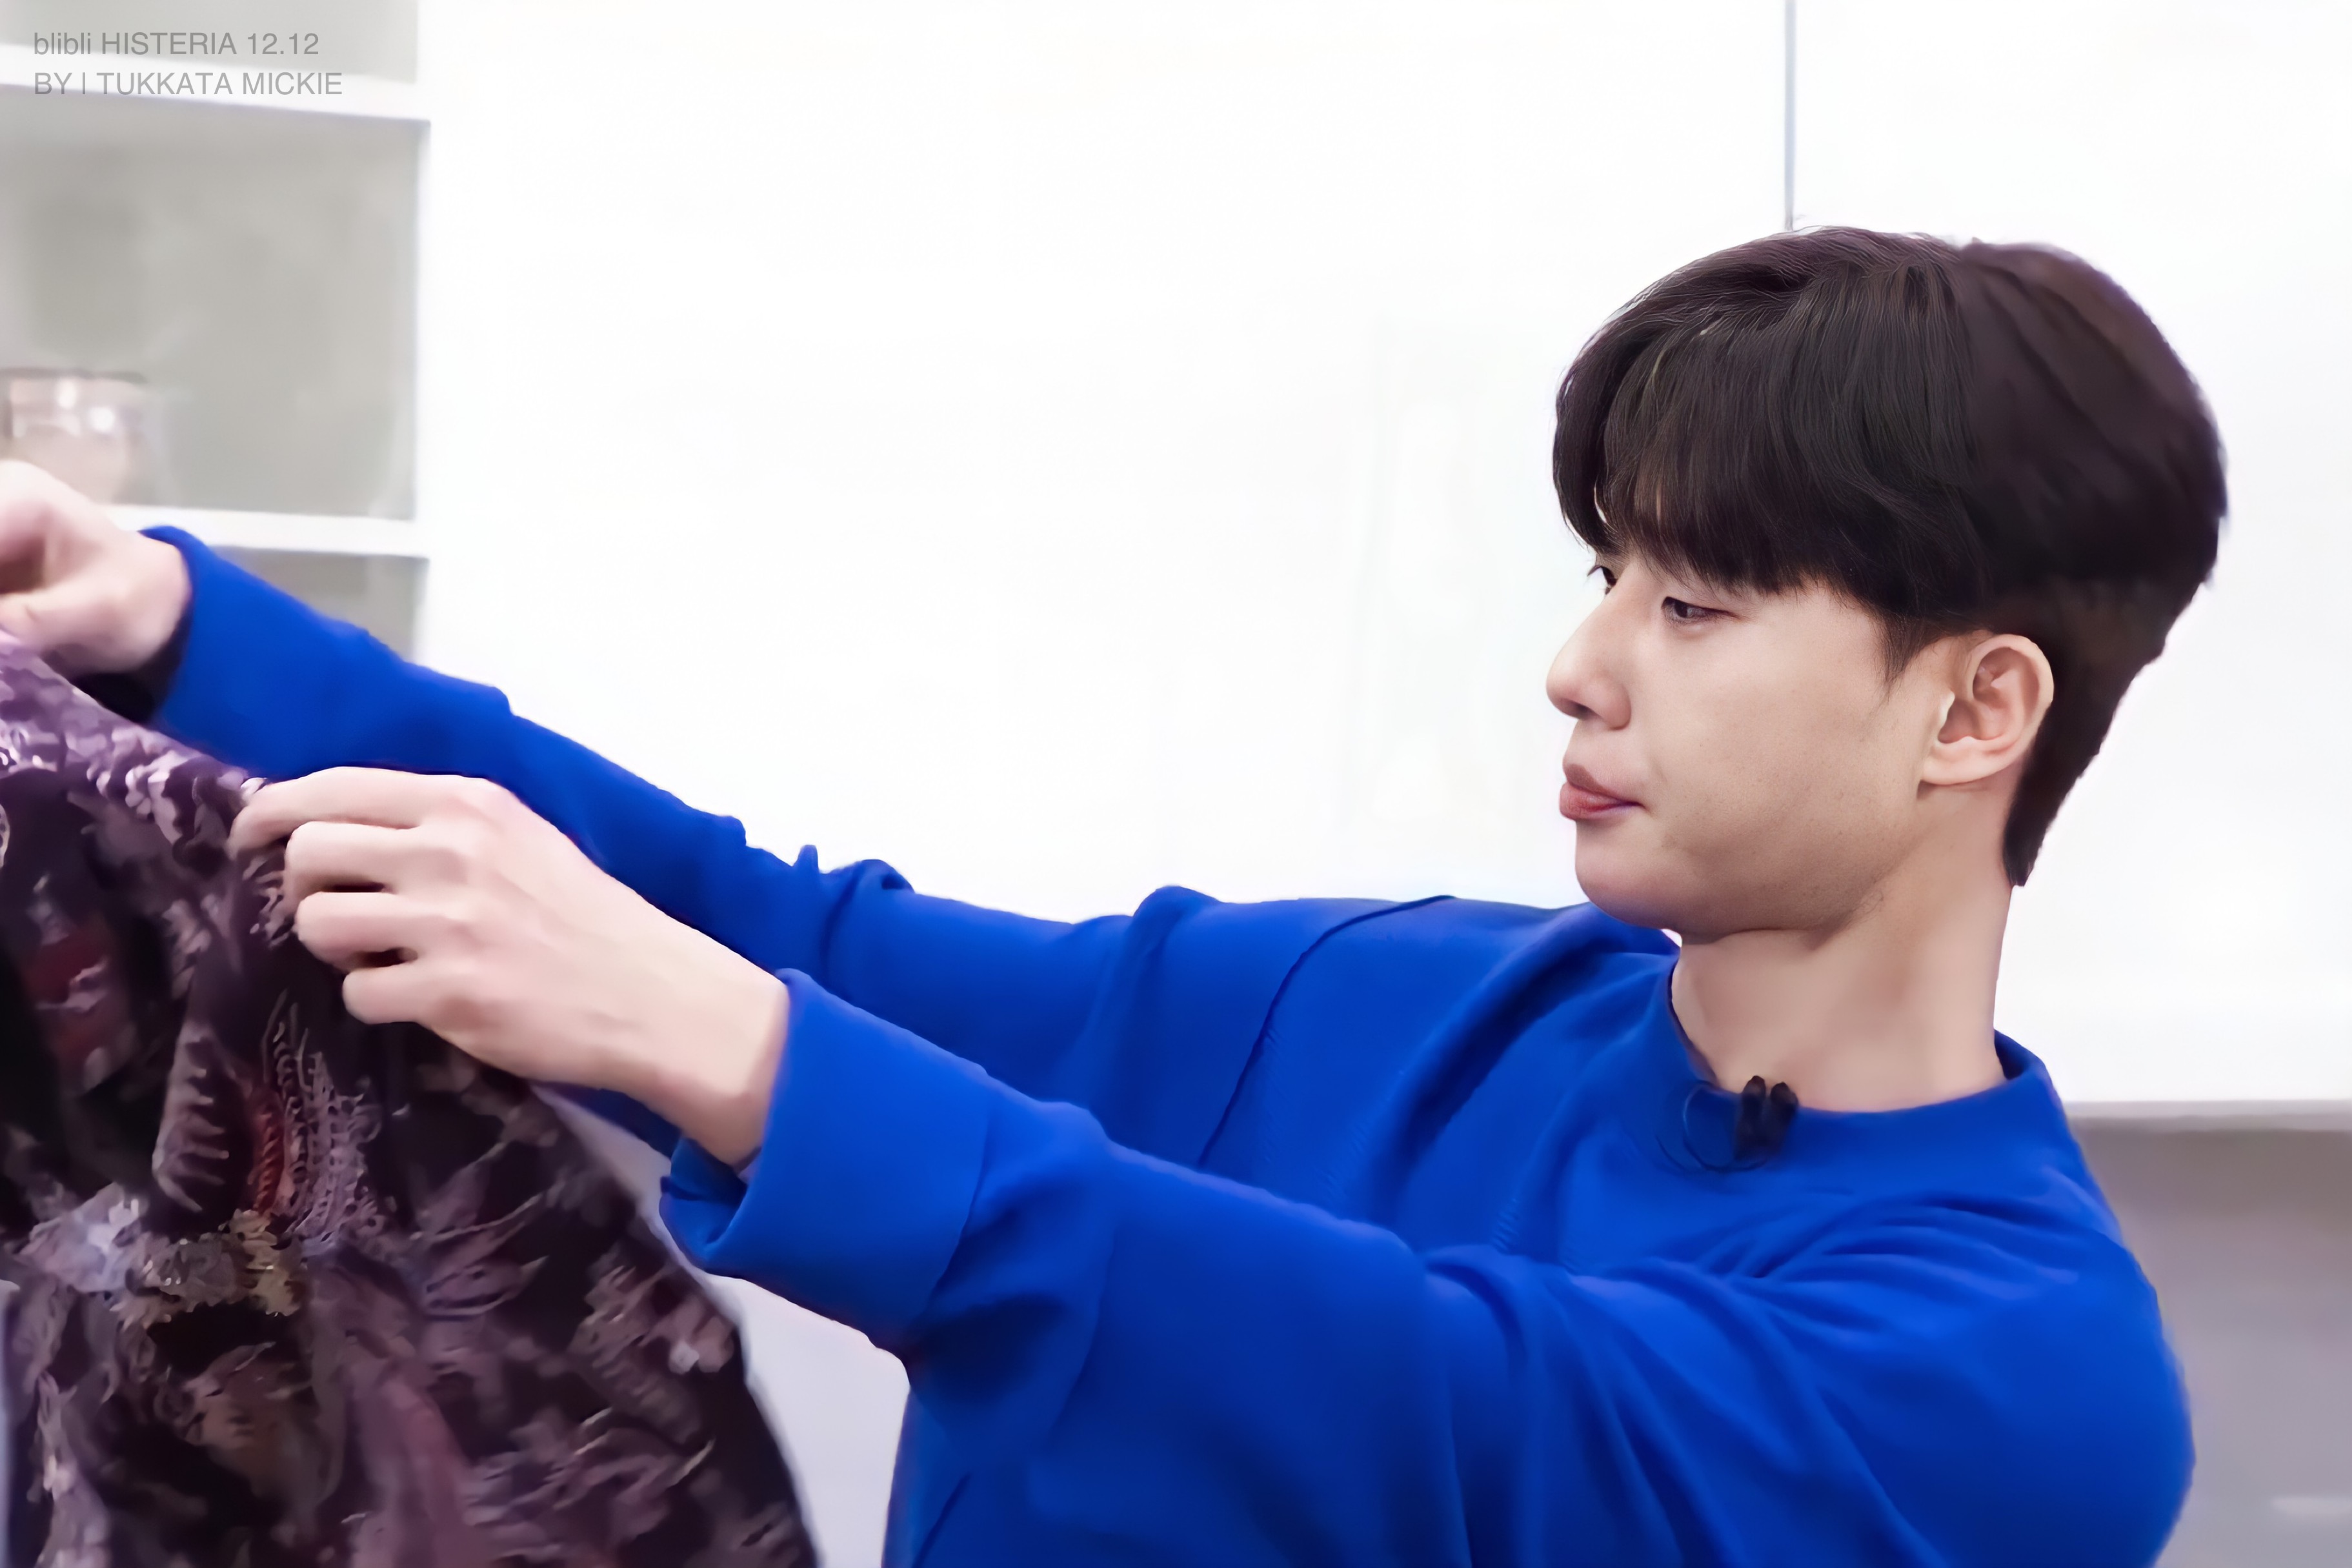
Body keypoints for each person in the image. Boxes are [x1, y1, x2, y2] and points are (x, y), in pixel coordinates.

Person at [0, 226, 2223, 1567]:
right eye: (1604, 575)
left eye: (1699, 605)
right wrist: (182, 635)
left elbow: (1450, 1423)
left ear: (1975, 710)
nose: (1583, 662)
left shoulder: (2018, 1383)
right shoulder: (1379, 1003)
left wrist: (752, 1059)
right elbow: (793, 941)